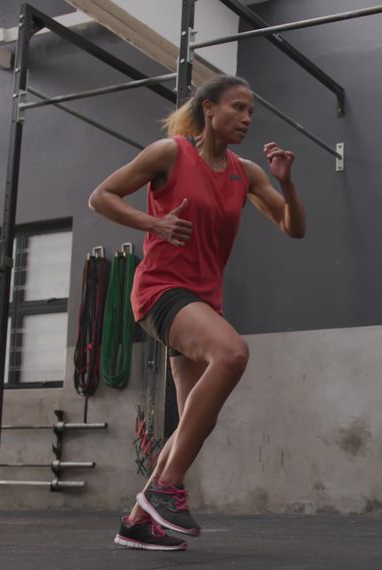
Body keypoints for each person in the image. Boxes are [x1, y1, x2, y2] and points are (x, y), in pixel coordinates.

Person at [88, 75, 306, 551]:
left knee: (195, 420)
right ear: (209, 109)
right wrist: (153, 223)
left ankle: (137, 522)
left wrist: (287, 187)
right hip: (161, 291)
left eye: (251, 111)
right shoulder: (169, 154)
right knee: (232, 353)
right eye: (237, 108)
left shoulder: (246, 172)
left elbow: (293, 228)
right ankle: (166, 489)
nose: (247, 118)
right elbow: (101, 196)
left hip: (202, 303)